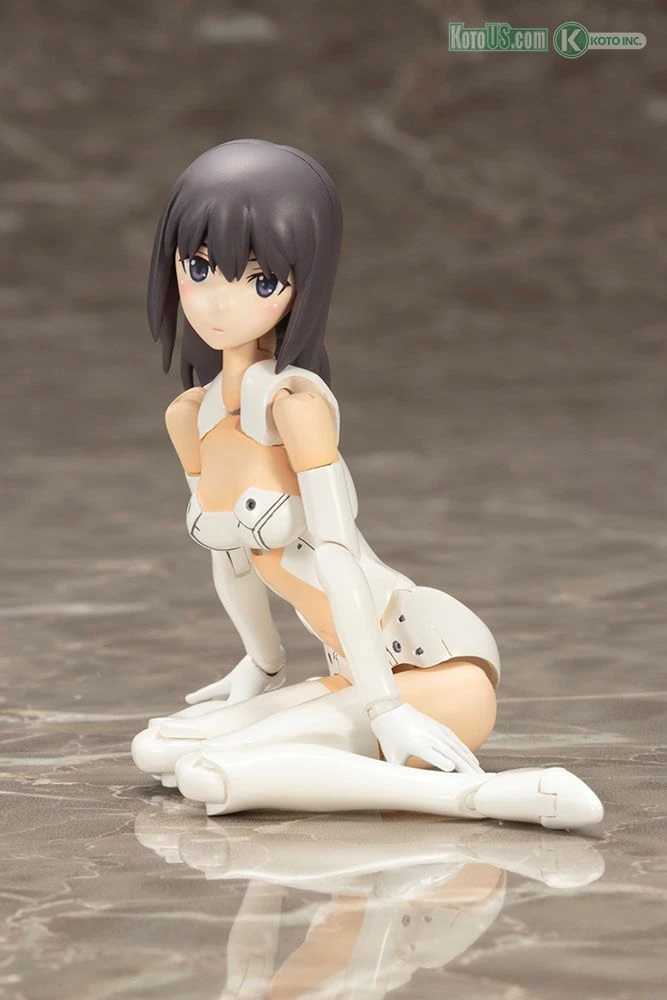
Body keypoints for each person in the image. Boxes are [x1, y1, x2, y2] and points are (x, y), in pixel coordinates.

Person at [131, 139, 602, 829]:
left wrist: (387, 709)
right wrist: (262, 662)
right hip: (350, 669)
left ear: (303, 285)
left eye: (260, 280)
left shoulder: (295, 406)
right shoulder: (191, 416)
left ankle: (494, 798)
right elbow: (231, 558)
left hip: (428, 667)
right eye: (199, 268)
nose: (218, 302)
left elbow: (336, 554)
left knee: (207, 772)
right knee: (156, 751)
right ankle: (368, 749)